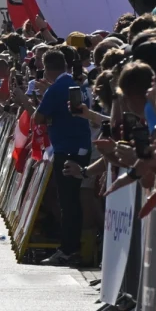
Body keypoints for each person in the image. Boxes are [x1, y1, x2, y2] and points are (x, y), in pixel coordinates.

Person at [34, 49, 93, 266]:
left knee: (67, 202)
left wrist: (29, 100)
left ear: (45, 66)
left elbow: (37, 118)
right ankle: (71, 248)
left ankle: (68, 249)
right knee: (72, 201)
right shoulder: (74, 84)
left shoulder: (57, 87)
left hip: (67, 148)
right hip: (79, 146)